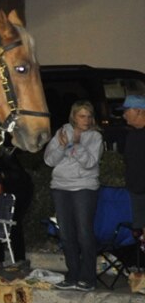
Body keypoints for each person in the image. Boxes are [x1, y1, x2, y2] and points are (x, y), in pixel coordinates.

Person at [44, 100, 103, 291]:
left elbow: (89, 163)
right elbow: (49, 160)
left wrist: (75, 145)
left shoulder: (95, 137)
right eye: (82, 116)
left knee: (84, 233)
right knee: (66, 234)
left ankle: (88, 278)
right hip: (60, 187)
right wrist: (62, 146)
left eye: (88, 116)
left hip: (84, 188)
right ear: (74, 116)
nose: (86, 120)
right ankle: (72, 275)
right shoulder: (62, 132)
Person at [116, 95, 145, 242]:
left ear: (139, 111)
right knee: (139, 233)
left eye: (127, 110)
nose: (124, 115)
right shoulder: (132, 134)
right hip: (136, 192)